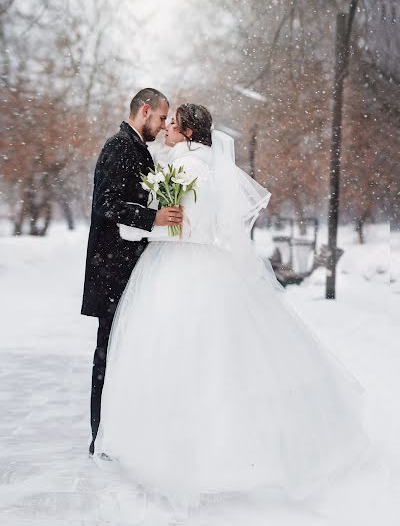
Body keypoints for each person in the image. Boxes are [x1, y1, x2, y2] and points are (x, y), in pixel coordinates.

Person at [95, 103, 369, 511]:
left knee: (172, 358)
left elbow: (179, 227)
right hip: (210, 265)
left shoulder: (185, 170)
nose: (167, 130)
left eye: (172, 125)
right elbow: (214, 227)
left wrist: (146, 226)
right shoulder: (208, 167)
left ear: (188, 132)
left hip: (176, 267)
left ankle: (177, 454)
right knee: (221, 362)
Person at [81, 88, 183, 456]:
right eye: (160, 118)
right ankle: (100, 436)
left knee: (122, 352)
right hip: (112, 270)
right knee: (107, 354)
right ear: (144, 111)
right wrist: (151, 217)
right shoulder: (119, 146)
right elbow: (106, 204)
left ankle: (114, 433)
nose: (161, 125)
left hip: (127, 269)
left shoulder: (137, 149)